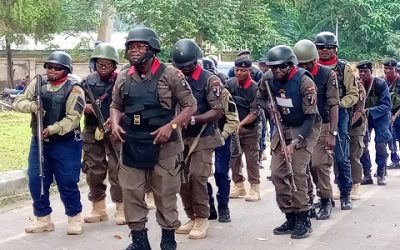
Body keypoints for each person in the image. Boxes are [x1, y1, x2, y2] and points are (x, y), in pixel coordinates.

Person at [109, 27, 197, 250]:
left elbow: (190, 105)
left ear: (152, 49)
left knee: (165, 193)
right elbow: (116, 105)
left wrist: (172, 125)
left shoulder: (171, 75)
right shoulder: (123, 76)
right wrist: (116, 122)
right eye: (130, 46)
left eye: (139, 46)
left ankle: (168, 240)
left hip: (165, 145)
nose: (134, 50)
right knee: (131, 193)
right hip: (132, 143)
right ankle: (139, 241)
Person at [14, 51, 85, 235]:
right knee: (36, 179)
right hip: (39, 141)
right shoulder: (38, 84)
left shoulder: (74, 89)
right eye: (49, 66)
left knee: (67, 181)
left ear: (66, 69)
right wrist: (32, 106)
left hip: (66, 143)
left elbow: (73, 119)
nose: (52, 70)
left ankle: (74, 218)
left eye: (57, 67)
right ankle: (43, 219)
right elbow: (19, 101)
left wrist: (52, 129)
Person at [259, 45, 320, 239]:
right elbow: (259, 98)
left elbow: (311, 118)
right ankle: (290, 215)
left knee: (297, 172)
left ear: (290, 65)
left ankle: (304, 217)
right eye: (273, 67)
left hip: (305, 127)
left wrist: (295, 143)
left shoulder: (304, 82)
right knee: (277, 173)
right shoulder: (268, 79)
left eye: (281, 67)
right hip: (282, 125)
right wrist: (269, 106)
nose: (276, 71)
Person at [171, 39, 224, 240]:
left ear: (195, 61)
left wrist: (193, 119)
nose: (183, 69)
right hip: (179, 135)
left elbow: (217, 111)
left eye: (187, 66)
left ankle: (203, 216)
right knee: (181, 178)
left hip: (204, 135)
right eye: (180, 66)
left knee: (197, 176)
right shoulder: (174, 78)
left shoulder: (210, 80)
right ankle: (191, 215)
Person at [293, 39, 339, 220]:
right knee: (303, 167)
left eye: (306, 63)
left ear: (314, 60)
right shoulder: (294, 76)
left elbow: (334, 104)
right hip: (302, 125)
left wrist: (332, 133)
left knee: (319, 164)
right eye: (300, 64)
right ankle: (308, 201)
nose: (303, 67)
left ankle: (326, 199)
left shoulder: (328, 75)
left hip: (323, 124)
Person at [81, 43, 125, 225]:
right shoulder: (86, 82)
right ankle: (98, 207)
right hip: (92, 129)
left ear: (114, 65)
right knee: (94, 169)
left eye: (107, 63)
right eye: (100, 63)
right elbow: (74, 103)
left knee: (118, 169)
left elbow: (129, 104)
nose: (103, 66)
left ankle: (122, 207)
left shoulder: (122, 81)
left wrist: (116, 119)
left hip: (116, 130)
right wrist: (86, 107)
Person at [315, 31, 358, 210]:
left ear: (335, 49)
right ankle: (324, 195)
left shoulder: (344, 68)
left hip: (339, 115)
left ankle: (346, 192)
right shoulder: (311, 66)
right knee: (316, 161)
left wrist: (338, 104)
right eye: (321, 47)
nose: (325, 50)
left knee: (341, 157)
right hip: (317, 116)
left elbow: (353, 94)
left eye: (329, 47)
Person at [201, 58, 239, 223]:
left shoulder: (222, 92)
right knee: (199, 175)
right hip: (200, 139)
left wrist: (221, 136)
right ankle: (208, 206)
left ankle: (223, 206)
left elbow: (233, 119)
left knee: (221, 172)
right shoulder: (191, 91)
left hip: (221, 136)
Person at [227, 56, 262, 202]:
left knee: (252, 158)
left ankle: (255, 187)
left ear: (249, 71)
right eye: (237, 69)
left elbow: (255, 112)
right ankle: (238, 184)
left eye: (243, 70)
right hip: (233, 128)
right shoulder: (230, 83)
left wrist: (240, 124)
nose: (239, 73)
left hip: (250, 129)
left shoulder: (255, 88)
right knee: (233, 157)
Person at [357, 60, 392, 186]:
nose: (363, 74)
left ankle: (381, 172)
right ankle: (367, 173)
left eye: (366, 71)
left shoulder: (380, 84)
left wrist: (370, 111)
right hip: (363, 117)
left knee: (380, 144)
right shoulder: (357, 84)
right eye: (361, 71)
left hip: (380, 117)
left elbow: (387, 105)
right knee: (362, 144)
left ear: (371, 72)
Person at [349, 80, 367, 200]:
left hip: (356, 125)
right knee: (340, 156)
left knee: (354, 154)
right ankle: (343, 185)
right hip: (341, 124)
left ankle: (356, 185)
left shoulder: (358, 86)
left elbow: (358, 111)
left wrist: (347, 126)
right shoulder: (334, 83)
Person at [382, 59, 400, 169]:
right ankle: (395, 160)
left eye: (391, 69)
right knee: (390, 138)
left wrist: (395, 116)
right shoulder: (382, 81)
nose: (388, 71)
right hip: (387, 114)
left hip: (398, 113)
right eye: (386, 69)